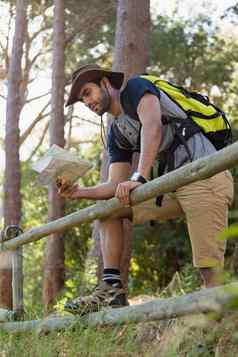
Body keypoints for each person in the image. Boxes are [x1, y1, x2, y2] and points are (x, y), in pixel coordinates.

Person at [58, 64, 234, 315]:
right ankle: (112, 288)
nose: (86, 102)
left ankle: (217, 342)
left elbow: (153, 127)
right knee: (108, 210)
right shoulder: (117, 131)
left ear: (106, 83)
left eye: (87, 92)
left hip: (205, 176)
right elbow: (114, 185)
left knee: (209, 275)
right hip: (172, 187)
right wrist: (77, 192)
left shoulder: (136, 88)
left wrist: (139, 177)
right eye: (81, 99)